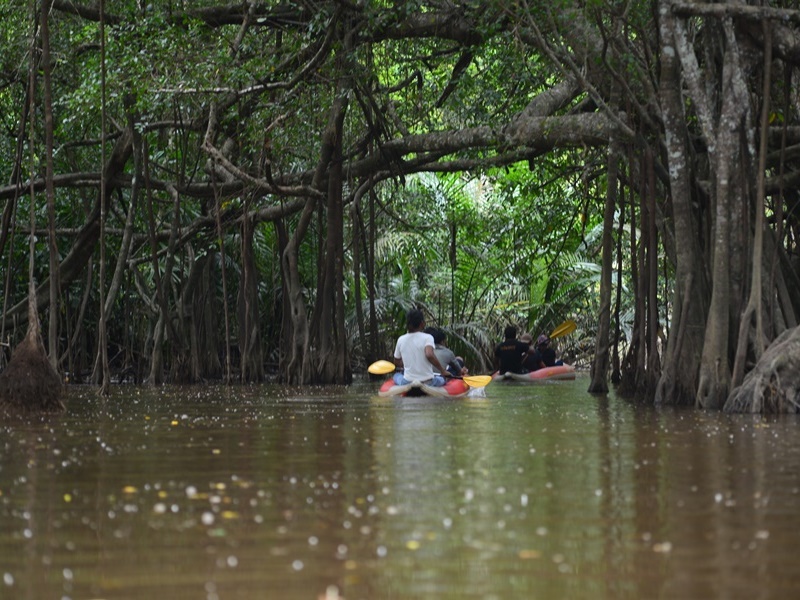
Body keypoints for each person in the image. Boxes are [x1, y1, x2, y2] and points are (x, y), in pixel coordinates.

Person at [392, 309, 450, 386]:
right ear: (422, 323)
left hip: (407, 382)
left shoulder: (401, 339)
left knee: (396, 375)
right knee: (442, 379)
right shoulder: (428, 337)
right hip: (428, 382)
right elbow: (429, 354)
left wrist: (406, 365)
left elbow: (396, 362)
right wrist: (442, 371)